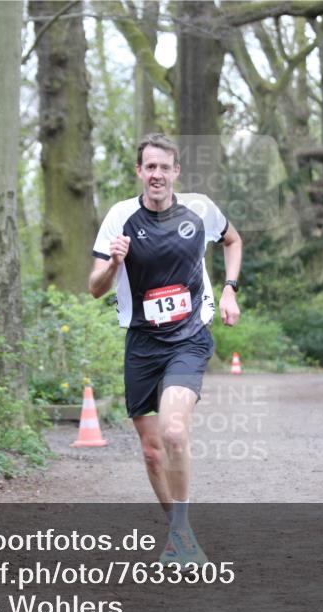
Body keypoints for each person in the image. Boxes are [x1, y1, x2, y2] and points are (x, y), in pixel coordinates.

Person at [88, 134, 242, 566]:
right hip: (141, 342)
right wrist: (115, 262)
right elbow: (94, 288)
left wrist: (229, 291)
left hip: (188, 338)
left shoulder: (200, 209)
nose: (157, 174)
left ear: (176, 172)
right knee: (153, 451)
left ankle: (180, 538)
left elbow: (233, 240)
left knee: (173, 432)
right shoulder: (120, 218)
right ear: (139, 171)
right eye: (149, 167)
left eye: (164, 167)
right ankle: (183, 534)